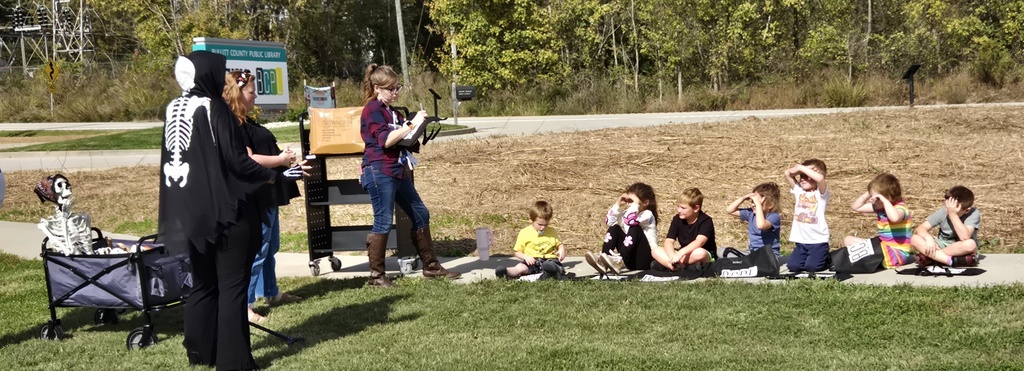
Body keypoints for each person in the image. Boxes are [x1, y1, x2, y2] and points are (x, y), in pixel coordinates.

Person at [159, 51, 294, 370]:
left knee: (203, 285)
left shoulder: (174, 107)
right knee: (232, 289)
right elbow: (237, 160)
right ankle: (234, 362)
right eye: (218, 74)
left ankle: (200, 350)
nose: (222, 81)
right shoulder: (213, 107)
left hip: (191, 215)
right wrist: (274, 177)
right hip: (226, 214)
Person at [359, 64, 460, 287]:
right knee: (384, 220)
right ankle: (377, 276)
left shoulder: (392, 112)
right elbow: (385, 140)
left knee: (420, 213)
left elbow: (404, 139)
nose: (395, 92)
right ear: (377, 88)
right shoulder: (372, 110)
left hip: (396, 170)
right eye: (391, 89)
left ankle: (431, 266)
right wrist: (410, 125)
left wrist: (419, 126)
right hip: (378, 170)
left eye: (397, 88)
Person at [223, 70, 303, 325]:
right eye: (251, 91)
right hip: (255, 195)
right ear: (237, 94)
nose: (255, 95)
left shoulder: (246, 121)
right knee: (257, 250)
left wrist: (285, 159)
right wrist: (280, 160)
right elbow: (249, 159)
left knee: (271, 246)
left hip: (270, 191)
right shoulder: (233, 124)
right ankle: (245, 304)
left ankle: (270, 291)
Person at [584, 183, 659, 276]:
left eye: (632, 201)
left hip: (645, 259)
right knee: (615, 228)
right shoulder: (627, 213)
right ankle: (604, 259)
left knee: (635, 227)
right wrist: (617, 205)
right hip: (630, 261)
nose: (629, 204)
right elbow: (610, 222)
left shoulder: (648, 215)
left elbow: (630, 221)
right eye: (627, 201)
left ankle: (619, 260)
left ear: (646, 203)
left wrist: (635, 204)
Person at [845, 173, 913, 269]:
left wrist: (884, 201)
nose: (872, 201)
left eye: (876, 198)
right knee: (849, 240)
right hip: (882, 247)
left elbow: (894, 218)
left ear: (888, 197)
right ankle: (871, 260)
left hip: (896, 252)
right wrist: (870, 192)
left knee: (874, 250)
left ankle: (871, 261)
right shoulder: (879, 207)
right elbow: (856, 207)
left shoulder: (901, 208)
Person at [911, 185, 981, 267]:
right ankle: (949, 261)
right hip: (941, 244)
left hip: (960, 247)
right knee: (914, 238)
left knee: (970, 244)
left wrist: (953, 214)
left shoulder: (973, 213)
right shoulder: (944, 211)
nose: (948, 209)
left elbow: (964, 237)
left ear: (966, 210)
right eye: (947, 206)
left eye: (953, 208)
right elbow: (921, 228)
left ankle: (931, 258)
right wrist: (929, 238)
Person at [495, 201, 566, 280]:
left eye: (546, 224)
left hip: (549, 259)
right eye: (540, 224)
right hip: (533, 260)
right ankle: (507, 272)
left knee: (551, 264)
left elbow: (559, 244)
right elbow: (516, 252)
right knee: (521, 267)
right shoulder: (525, 232)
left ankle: (551, 271)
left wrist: (561, 249)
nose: (543, 227)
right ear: (531, 220)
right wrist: (526, 257)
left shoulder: (552, 231)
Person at [783, 159, 831, 272]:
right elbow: (787, 174)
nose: (803, 178)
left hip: (818, 241)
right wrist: (799, 169)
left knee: (812, 267)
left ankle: (827, 258)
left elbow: (820, 179)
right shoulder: (799, 191)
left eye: (807, 175)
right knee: (793, 266)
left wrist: (801, 168)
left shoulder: (821, 194)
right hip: (801, 241)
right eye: (801, 176)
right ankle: (813, 258)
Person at [658, 188, 718, 270]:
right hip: (683, 255)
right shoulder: (677, 219)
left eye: (683, 208)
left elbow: (699, 242)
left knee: (699, 253)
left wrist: (680, 254)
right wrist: (672, 256)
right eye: (678, 206)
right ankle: (674, 266)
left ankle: (670, 265)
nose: (679, 210)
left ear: (696, 208)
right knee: (655, 250)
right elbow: (669, 241)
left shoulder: (706, 221)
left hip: (700, 253)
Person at [724, 182, 782, 258]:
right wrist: (743, 198)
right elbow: (729, 210)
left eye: (757, 202)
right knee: (724, 252)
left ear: (770, 204)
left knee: (762, 261)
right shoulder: (751, 213)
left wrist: (758, 205)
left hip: (769, 255)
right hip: (752, 253)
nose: (753, 204)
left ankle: (748, 264)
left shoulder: (773, 216)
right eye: (752, 201)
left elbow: (761, 225)